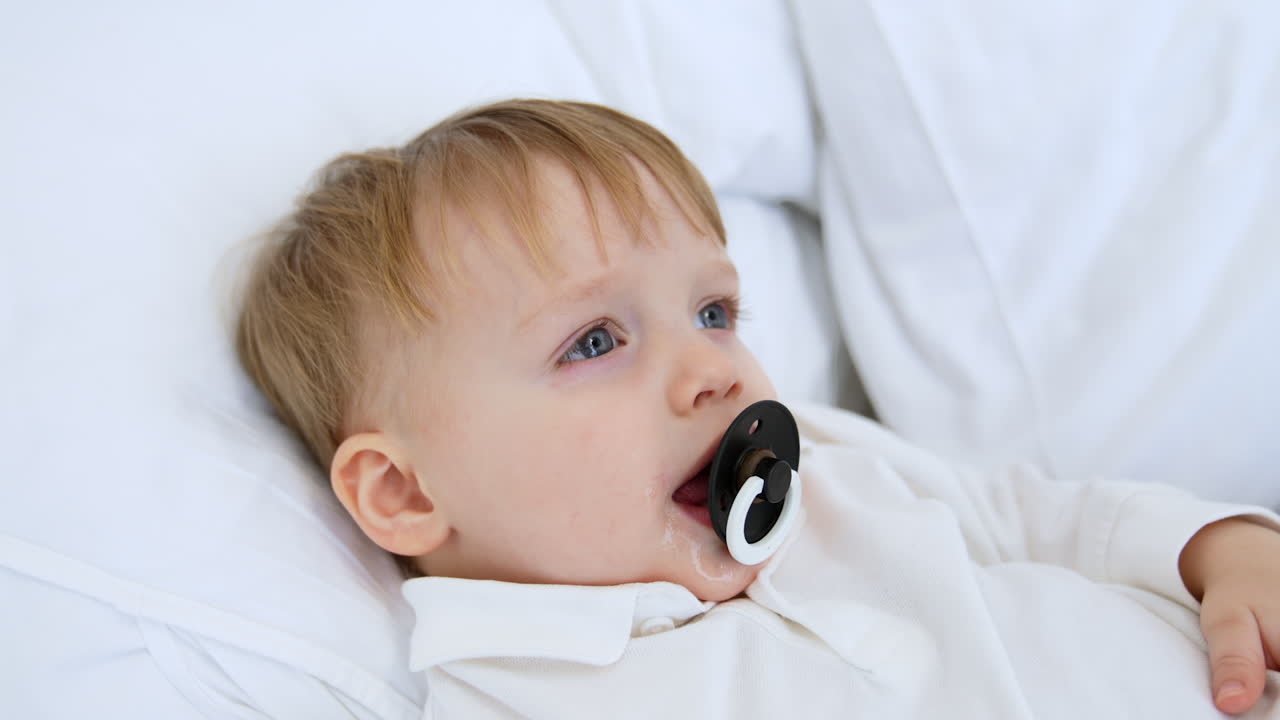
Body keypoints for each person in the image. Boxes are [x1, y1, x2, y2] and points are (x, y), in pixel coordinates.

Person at [236, 99, 1280, 719]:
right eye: (594, 341)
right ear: (404, 490)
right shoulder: (530, 695)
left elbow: (1038, 515)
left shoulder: (819, 461)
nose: (714, 372)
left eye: (714, 309)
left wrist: (1221, 552)